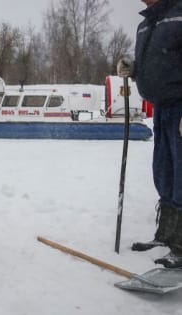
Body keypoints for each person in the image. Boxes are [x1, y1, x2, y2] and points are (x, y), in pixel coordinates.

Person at [117, 0, 182, 267]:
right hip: (161, 106)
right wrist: (133, 69)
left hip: (180, 105)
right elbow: (157, 64)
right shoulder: (145, 25)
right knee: (163, 170)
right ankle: (166, 235)